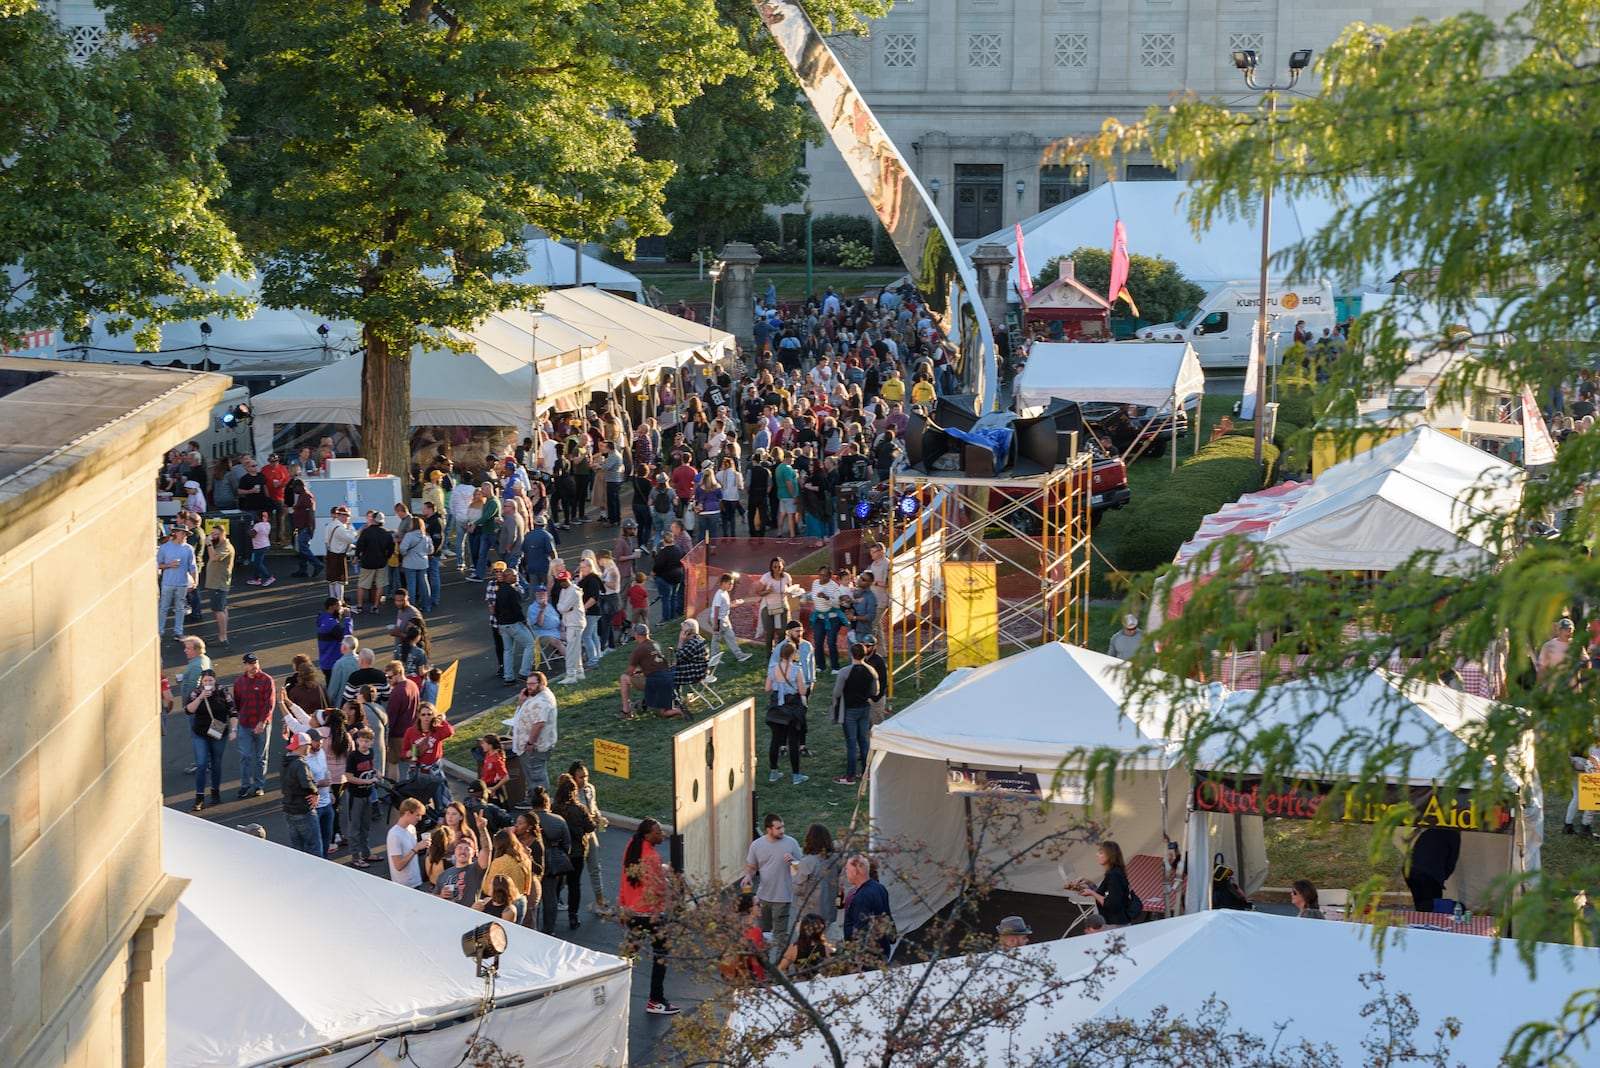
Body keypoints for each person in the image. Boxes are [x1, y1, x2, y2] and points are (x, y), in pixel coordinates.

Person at [620, 819, 680, 1015]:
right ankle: (656, 1000)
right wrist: (667, 878)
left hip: (632, 910)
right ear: (647, 835)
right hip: (650, 914)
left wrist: (623, 905)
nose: (662, 835)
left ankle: (615, 990)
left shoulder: (633, 846)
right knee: (660, 955)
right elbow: (658, 889)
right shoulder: (652, 857)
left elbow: (626, 877)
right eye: (658, 833)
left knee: (629, 953)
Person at [744, 813, 802, 961]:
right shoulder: (757, 845)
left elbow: (802, 868)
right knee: (763, 934)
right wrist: (748, 876)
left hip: (783, 897)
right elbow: (751, 867)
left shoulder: (792, 843)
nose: (782, 830)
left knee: (781, 935)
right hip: (763, 898)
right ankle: (765, 965)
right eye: (778, 828)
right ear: (768, 829)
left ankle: (780, 967)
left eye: (782, 826)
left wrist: (794, 861)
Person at [184, 668, 236, 811]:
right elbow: (188, 710)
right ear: (202, 681)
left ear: (215, 681)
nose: (208, 683)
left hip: (218, 730)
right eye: (205, 681)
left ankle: (215, 792)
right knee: (201, 763)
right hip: (200, 732)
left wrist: (234, 730)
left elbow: (232, 711)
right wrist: (201, 697)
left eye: (210, 681)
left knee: (216, 762)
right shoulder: (196, 692)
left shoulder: (223, 692)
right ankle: (199, 796)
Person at [829, 642, 879, 785]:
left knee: (851, 743)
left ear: (851, 654)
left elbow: (837, 692)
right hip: (865, 708)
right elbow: (875, 691)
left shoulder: (845, 672)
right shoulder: (871, 670)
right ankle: (866, 771)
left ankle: (850, 776)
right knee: (863, 741)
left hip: (850, 710)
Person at [553, 773, 597, 928]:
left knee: (556, 883)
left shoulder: (554, 809)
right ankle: (573, 916)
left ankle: (551, 912)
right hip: (578, 852)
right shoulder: (580, 809)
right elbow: (590, 827)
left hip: (560, 852)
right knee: (574, 884)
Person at [530, 786, 575, 934]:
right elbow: (567, 845)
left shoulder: (527, 819)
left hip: (531, 861)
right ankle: (549, 930)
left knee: (531, 896)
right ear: (547, 803)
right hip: (551, 863)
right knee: (550, 897)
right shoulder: (559, 821)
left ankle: (531, 927)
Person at [232, 652, 275, 800]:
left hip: (262, 725)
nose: (253, 666)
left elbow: (269, 704)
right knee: (245, 756)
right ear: (245, 665)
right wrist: (237, 722)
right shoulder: (239, 682)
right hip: (245, 724)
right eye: (250, 663)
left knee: (260, 757)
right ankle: (245, 786)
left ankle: (259, 786)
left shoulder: (266, 680)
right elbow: (236, 704)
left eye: (255, 663)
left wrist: (262, 722)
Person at [765, 641, 809, 785]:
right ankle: (796, 775)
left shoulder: (773, 668)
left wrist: (780, 687)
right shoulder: (796, 670)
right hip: (792, 708)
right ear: (793, 654)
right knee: (793, 741)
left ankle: (773, 772)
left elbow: (767, 688)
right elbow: (802, 691)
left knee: (775, 740)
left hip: (777, 706)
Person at [399, 703, 455, 812]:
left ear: (433, 715)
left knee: (441, 805)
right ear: (418, 715)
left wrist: (443, 720)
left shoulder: (437, 730)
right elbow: (403, 751)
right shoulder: (410, 731)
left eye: (429, 714)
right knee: (418, 806)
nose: (426, 717)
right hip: (418, 773)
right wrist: (408, 753)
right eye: (423, 714)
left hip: (435, 772)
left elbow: (450, 732)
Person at [569, 760, 609, 910]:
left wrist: (599, 818)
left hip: (590, 833)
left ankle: (600, 902)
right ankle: (556, 896)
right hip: (577, 837)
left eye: (586, 776)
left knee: (595, 867)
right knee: (570, 872)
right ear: (573, 778)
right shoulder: (570, 794)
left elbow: (594, 807)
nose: (584, 780)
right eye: (581, 777)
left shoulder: (590, 789)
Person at [511, 670, 558, 795]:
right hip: (529, 745)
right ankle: (533, 799)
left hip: (535, 747)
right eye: (528, 684)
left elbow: (539, 724)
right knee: (532, 775)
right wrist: (522, 701)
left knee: (537, 775)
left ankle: (541, 802)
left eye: (532, 684)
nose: (529, 687)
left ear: (542, 683)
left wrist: (530, 743)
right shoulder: (536, 696)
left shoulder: (542, 701)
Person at [1071, 841, 1137, 927]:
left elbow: (1111, 904)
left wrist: (1092, 893)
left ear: (1110, 856)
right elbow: (1105, 894)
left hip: (1113, 926)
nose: (1097, 854)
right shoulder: (1113, 872)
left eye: (1101, 852)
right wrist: (1089, 883)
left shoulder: (1115, 877)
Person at [841, 854, 894, 961]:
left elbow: (861, 929)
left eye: (847, 869)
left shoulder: (862, 897)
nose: (845, 872)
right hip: (881, 945)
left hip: (869, 955)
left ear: (856, 872)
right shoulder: (879, 887)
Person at [620, 623, 675, 719]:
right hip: (667, 679)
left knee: (624, 678)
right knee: (663, 712)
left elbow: (629, 672)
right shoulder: (656, 644)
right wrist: (641, 670)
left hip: (653, 681)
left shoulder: (638, 650)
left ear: (636, 635)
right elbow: (661, 664)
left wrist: (634, 674)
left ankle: (626, 710)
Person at [280, 730, 322, 856]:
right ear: (303, 746)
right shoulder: (300, 764)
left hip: (288, 809)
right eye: (308, 745)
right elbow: (306, 782)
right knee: (314, 847)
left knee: (297, 848)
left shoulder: (285, 762)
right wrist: (315, 792)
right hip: (303, 810)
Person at [345, 727, 380, 868]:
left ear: (371, 742)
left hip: (367, 795)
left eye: (366, 741)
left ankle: (365, 853)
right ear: (357, 740)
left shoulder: (370, 753)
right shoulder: (353, 756)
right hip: (356, 796)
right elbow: (348, 777)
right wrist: (367, 781)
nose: (363, 744)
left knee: (366, 826)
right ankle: (355, 857)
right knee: (355, 828)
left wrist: (375, 773)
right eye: (361, 740)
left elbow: (369, 768)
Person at [158, 523, 198, 641]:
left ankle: (178, 632)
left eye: (185, 533)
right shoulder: (165, 547)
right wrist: (169, 565)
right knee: (163, 608)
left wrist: (195, 581)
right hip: (167, 583)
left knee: (180, 608)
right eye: (182, 533)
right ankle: (160, 631)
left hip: (182, 583)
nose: (184, 535)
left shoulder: (188, 548)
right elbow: (157, 564)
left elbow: (193, 566)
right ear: (175, 533)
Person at [1404, 827, 1461, 910]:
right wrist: (1443, 876)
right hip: (1430, 874)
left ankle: (1421, 920)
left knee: (1421, 906)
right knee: (1433, 907)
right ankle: (1427, 921)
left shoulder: (1430, 830)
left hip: (1410, 870)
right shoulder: (1453, 835)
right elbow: (1451, 862)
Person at [756, 558, 800, 655]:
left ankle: (781, 653)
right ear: (771, 567)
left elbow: (790, 590)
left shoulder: (786, 577)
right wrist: (768, 591)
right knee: (770, 632)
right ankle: (769, 655)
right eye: (774, 567)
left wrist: (794, 591)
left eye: (779, 567)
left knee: (783, 631)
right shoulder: (766, 577)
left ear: (783, 566)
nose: (777, 569)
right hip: (768, 606)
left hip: (782, 605)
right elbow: (758, 592)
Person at [202, 523, 235, 648]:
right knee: (222, 608)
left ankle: (222, 637)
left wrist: (209, 544)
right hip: (216, 583)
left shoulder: (226, 546)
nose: (212, 537)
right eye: (211, 534)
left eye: (215, 534)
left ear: (222, 534)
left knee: (218, 610)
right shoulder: (220, 545)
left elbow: (214, 557)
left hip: (219, 584)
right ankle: (222, 635)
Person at [709, 572, 752, 662]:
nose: (731, 586)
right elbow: (716, 608)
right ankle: (713, 658)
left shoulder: (725, 593)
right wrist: (716, 623)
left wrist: (735, 603)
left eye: (732, 584)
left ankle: (739, 655)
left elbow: (726, 605)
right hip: (719, 619)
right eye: (729, 584)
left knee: (731, 637)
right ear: (723, 583)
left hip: (725, 619)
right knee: (716, 639)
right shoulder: (719, 594)